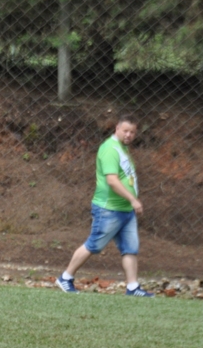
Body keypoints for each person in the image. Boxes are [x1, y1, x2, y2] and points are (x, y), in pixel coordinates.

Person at [56, 114, 154, 297]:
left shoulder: (122, 150)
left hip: (125, 211)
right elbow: (112, 181)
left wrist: (130, 202)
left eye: (132, 132)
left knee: (130, 248)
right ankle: (65, 277)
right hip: (109, 209)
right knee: (94, 244)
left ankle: (132, 287)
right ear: (117, 129)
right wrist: (133, 200)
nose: (129, 135)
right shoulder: (110, 149)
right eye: (125, 131)